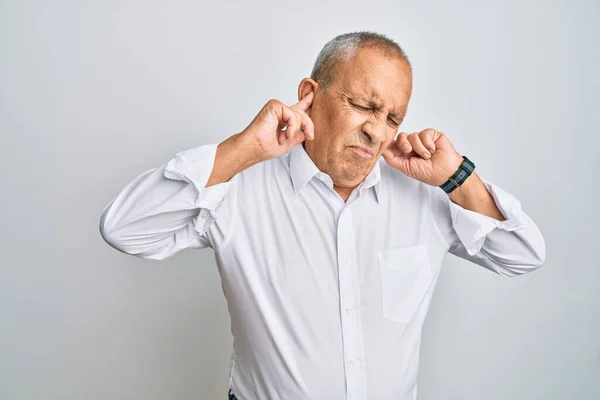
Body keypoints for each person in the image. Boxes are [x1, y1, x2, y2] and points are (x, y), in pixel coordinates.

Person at [99, 31, 546, 400]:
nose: (376, 130)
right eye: (364, 106)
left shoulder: (424, 193)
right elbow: (125, 230)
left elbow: (522, 255)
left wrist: (457, 176)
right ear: (310, 95)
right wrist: (244, 149)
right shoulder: (239, 187)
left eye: (393, 117)